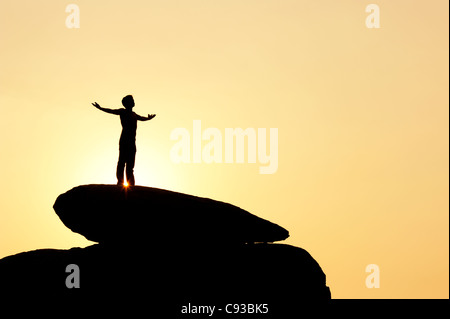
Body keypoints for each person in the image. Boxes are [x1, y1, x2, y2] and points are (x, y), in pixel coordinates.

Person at [92, 95, 156, 186]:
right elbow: (111, 111)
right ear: (128, 103)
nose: (134, 101)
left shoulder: (134, 114)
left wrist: (148, 118)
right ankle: (120, 182)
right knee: (122, 162)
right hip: (124, 140)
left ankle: (131, 184)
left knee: (130, 165)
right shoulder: (122, 112)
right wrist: (100, 108)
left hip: (132, 142)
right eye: (132, 100)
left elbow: (142, 118)